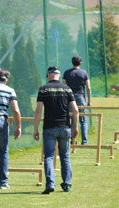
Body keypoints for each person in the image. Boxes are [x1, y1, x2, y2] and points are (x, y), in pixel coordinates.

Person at [34, 66, 79, 194]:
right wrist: (75, 127)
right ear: (58, 75)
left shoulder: (43, 89)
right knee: (65, 156)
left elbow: (38, 110)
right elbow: (75, 110)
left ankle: (50, 183)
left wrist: (35, 129)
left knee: (48, 156)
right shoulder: (67, 89)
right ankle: (67, 183)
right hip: (65, 127)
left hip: (49, 127)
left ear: (48, 75)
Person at [63, 56, 91, 145]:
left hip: (70, 99)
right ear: (80, 63)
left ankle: (73, 140)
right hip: (81, 98)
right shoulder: (84, 73)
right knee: (83, 120)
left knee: (71, 119)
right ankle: (84, 141)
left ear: (72, 63)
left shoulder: (67, 73)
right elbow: (88, 87)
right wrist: (89, 100)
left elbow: (63, 86)